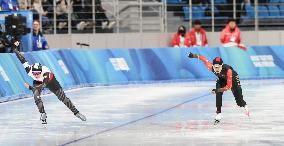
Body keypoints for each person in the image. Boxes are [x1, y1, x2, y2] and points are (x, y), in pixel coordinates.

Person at [12, 41, 86, 124]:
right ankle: (43, 113)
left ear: (41, 72)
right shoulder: (29, 69)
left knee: (63, 98)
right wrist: (15, 49)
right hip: (38, 82)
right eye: (35, 73)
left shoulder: (46, 72)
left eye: (38, 73)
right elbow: (21, 58)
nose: (36, 75)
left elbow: (42, 86)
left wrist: (30, 87)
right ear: (32, 71)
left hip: (50, 81)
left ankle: (76, 112)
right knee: (36, 96)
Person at [187, 52, 249, 124]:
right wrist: (193, 55)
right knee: (218, 92)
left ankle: (244, 105)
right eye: (214, 67)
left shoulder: (228, 71)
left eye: (218, 67)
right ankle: (218, 113)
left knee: (239, 101)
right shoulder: (210, 67)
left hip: (233, 79)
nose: (216, 69)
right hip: (222, 79)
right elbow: (203, 59)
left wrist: (217, 90)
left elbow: (228, 87)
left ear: (221, 66)